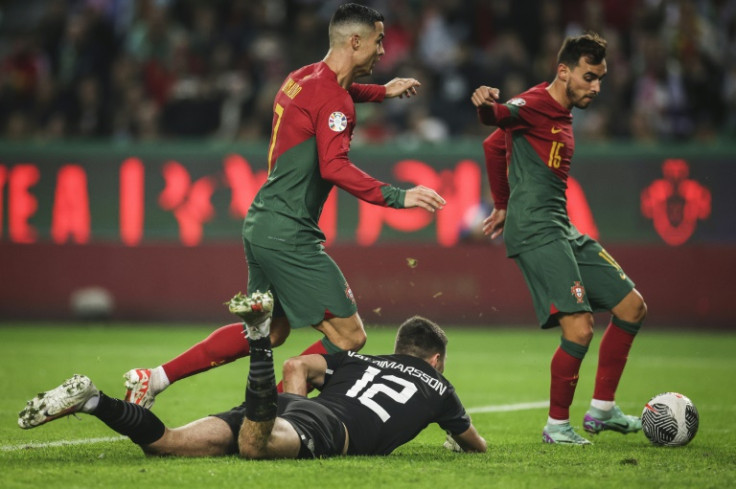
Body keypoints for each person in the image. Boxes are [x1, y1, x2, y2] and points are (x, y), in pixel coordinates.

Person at [122, 3, 446, 409]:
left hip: (261, 223)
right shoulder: (336, 103)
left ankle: (152, 379)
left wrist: (383, 91)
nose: (383, 51)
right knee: (350, 336)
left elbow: (333, 95)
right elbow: (334, 166)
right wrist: (400, 196)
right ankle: (261, 411)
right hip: (290, 232)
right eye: (379, 41)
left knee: (267, 332)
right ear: (356, 41)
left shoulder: (300, 78)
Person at [18, 293, 486, 459]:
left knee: (167, 444)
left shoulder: (359, 360)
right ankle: (259, 338)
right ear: (437, 360)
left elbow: (298, 365)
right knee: (253, 446)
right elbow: (475, 444)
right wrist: (455, 438)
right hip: (323, 429)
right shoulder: (441, 387)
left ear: (402, 348)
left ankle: (93, 400)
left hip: (294, 408)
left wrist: (291, 404)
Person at [470, 32, 647, 445]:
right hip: (536, 228)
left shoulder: (560, 113)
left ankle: (603, 410)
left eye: (601, 78)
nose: (596, 87)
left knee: (632, 307)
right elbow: (495, 118)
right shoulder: (534, 104)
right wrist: (483, 105)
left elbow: (495, 146)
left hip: (560, 226)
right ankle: (557, 426)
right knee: (580, 327)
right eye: (589, 77)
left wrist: (501, 203)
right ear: (563, 71)